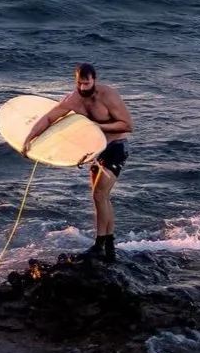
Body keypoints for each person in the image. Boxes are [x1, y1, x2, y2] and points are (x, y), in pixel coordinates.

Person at [22, 63, 133, 263]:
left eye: (86, 83)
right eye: (79, 83)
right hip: (95, 151)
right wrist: (29, 138)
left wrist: (97, 126)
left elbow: (127, 125)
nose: (82, 88)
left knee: (100, 194)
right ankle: (108, 247)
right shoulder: (72, 100)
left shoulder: (107, 95)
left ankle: (100, 245)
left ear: (94, 80)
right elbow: (48, 119)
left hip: (116, 146)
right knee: (101, 198)